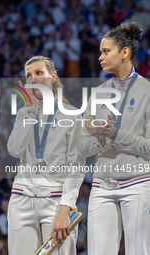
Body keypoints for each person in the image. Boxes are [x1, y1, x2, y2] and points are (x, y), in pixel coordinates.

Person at [77, 22, 150, 254]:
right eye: (100, 52)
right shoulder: (98, 95)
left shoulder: (146, 91)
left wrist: (116, 135)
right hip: (101, 186)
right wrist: (99, 139)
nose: (100, 57)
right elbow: (79, 146)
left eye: (106, 51)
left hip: (137, 184)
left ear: (125, 52)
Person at [7, 55, 85, 255]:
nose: (33, 79)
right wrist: (32, 110)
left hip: (55, 201)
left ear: (53, 76)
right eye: (28, 75)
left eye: (39, 73)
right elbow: (14, 150)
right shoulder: (24, 114)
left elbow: (76, 168)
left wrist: (64, 210)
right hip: (21, 199)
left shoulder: (73, 115)